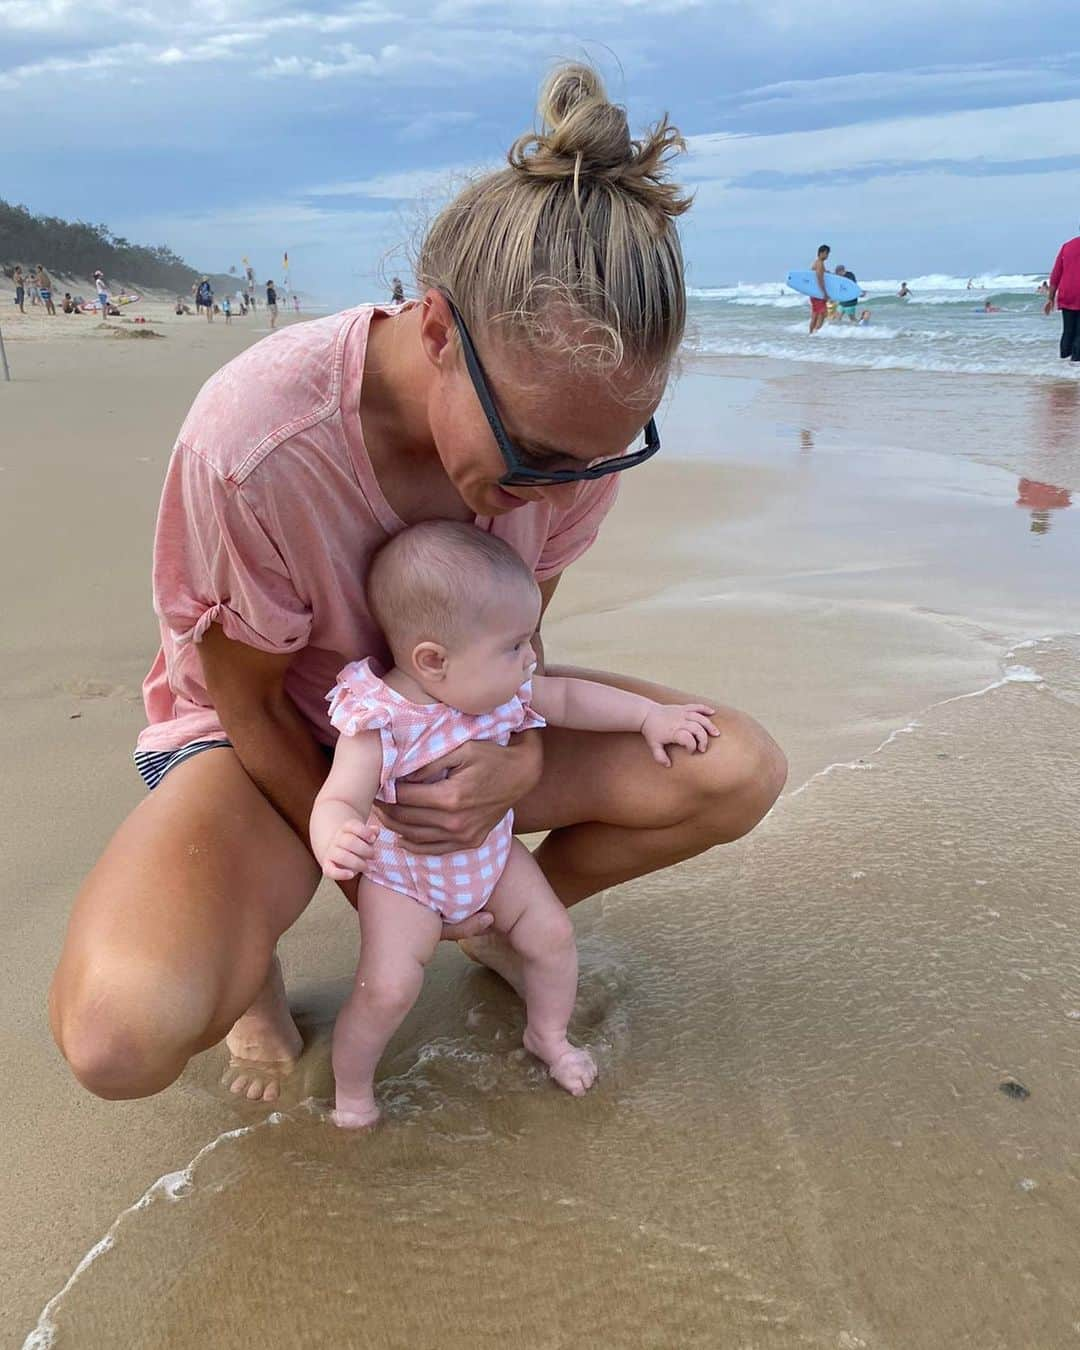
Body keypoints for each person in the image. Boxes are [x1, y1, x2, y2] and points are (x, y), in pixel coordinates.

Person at [48, 62, 787, 1107]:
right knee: (123, 1036)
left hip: (451, 724)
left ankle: (492, 932)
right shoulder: (258, 443)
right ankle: (254, 968)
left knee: (737, 767)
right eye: (533, 453)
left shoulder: (572, 453)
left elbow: (519, 656)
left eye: (598, 458)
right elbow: (249, 703)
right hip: (274, 741)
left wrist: (517, 769)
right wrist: (376, 862)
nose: (557, 490)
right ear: (437, 331)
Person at [313, 522, 718, 1126]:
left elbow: (573, 700)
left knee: (552, 936)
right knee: (388, 989)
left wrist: (649, 717)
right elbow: (337, 797)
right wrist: (335, 837)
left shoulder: (502, 690)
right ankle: (353, 1094)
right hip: (405, 879)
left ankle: (549, 1036)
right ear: (433, 660)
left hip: (494, 857)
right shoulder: (381, 720)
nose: (531, 657)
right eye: (514, 646)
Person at [1044, 225, 1080, 363]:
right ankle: (1075, 370)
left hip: (1067, 294)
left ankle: (1063, 367)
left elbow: (1056, 273)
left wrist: (1050, 298)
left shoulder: (1067, 246)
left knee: (1068, 332)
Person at [808, 243, 830, 334]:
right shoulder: (820, 264)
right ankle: (815, 333)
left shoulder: (816, 262)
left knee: (815, 315)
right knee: (823, 313)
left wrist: (826, 272)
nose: (827, 255)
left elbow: (819, 275)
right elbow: (820, 279)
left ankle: (810, 334)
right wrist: (824, 293)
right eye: (826, 253)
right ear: (821, 253)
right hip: (818, 293)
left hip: (814, 293)